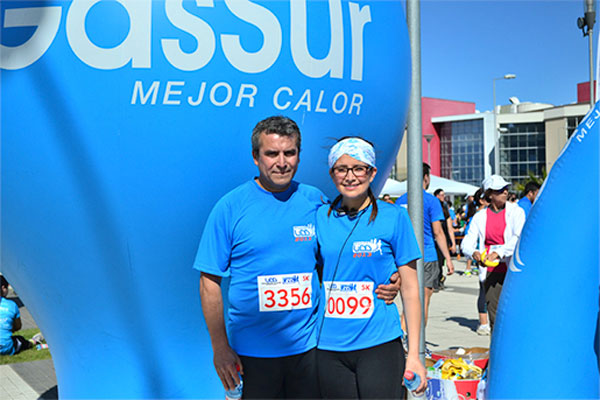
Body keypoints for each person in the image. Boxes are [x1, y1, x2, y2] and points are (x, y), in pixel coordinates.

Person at [193, 116, 399, 398]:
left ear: (299, 156)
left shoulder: (315, 201)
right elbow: (209, 282)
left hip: (309, 351)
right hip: (252, 355)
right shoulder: (229, 208)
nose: (281, 162)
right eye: (271, 154)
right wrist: (220, 348)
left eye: (289, 153)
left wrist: (390, 277)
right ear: (255, 157)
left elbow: (342, 254)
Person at [316, 137, 426, 398]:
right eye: (342, 169)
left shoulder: (394, 217)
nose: (350, 176)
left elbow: (411, 289)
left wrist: (414, 355)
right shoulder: (319, 217)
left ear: (372, 172)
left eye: (359, 168)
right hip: (328, 347)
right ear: (332, 173)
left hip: (379, 343)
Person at [461, 175, 525, 330]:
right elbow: (466, 243)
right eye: (500, 190)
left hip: (513, 270)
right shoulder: (479, 217)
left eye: (506, 188)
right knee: (495, 317)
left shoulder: (516, 211)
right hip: (491, 271)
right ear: (489, 194)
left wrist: (499, 252)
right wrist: (474, 253)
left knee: (514, 314)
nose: (505, 192)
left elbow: (518, 238)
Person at [396, 164, 454, 327]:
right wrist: (448, 259)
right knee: (423, 300)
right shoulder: (431, 201)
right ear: (426, 178)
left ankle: (404, 335)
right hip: (426, 255)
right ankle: (417, 339)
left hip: (404, 256)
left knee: (408, 300)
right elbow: (438, 232)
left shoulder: (400, 201)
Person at [0, 276, 43, 355]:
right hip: (5, 347)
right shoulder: (11, 305)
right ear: (3, 288)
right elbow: (18, 326)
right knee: (20, 339)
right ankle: (33, 341)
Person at [433, 189, 456, 289]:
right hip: (433, 238)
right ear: (436, 196)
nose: (443, 197)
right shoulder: (432, 207)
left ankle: (439, 279)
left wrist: (453, 243)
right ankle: (437, 280)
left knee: (440, 261)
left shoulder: (445, 209)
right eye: (441, 195)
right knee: (435, 261)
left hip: (443, 238)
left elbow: (450, 228)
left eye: (444, 195)